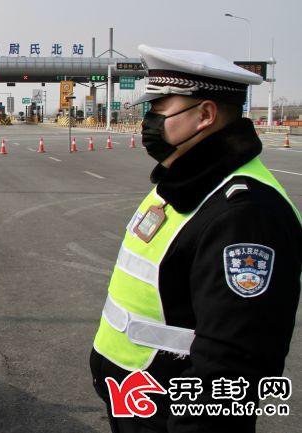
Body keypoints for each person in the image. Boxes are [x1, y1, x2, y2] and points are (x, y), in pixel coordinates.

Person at [89, 45, 302, 432]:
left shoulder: (246, 214)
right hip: (138, 403)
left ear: (205, 115)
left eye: (160, 108)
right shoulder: (184, 182)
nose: (148, 120)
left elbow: (233, 366)